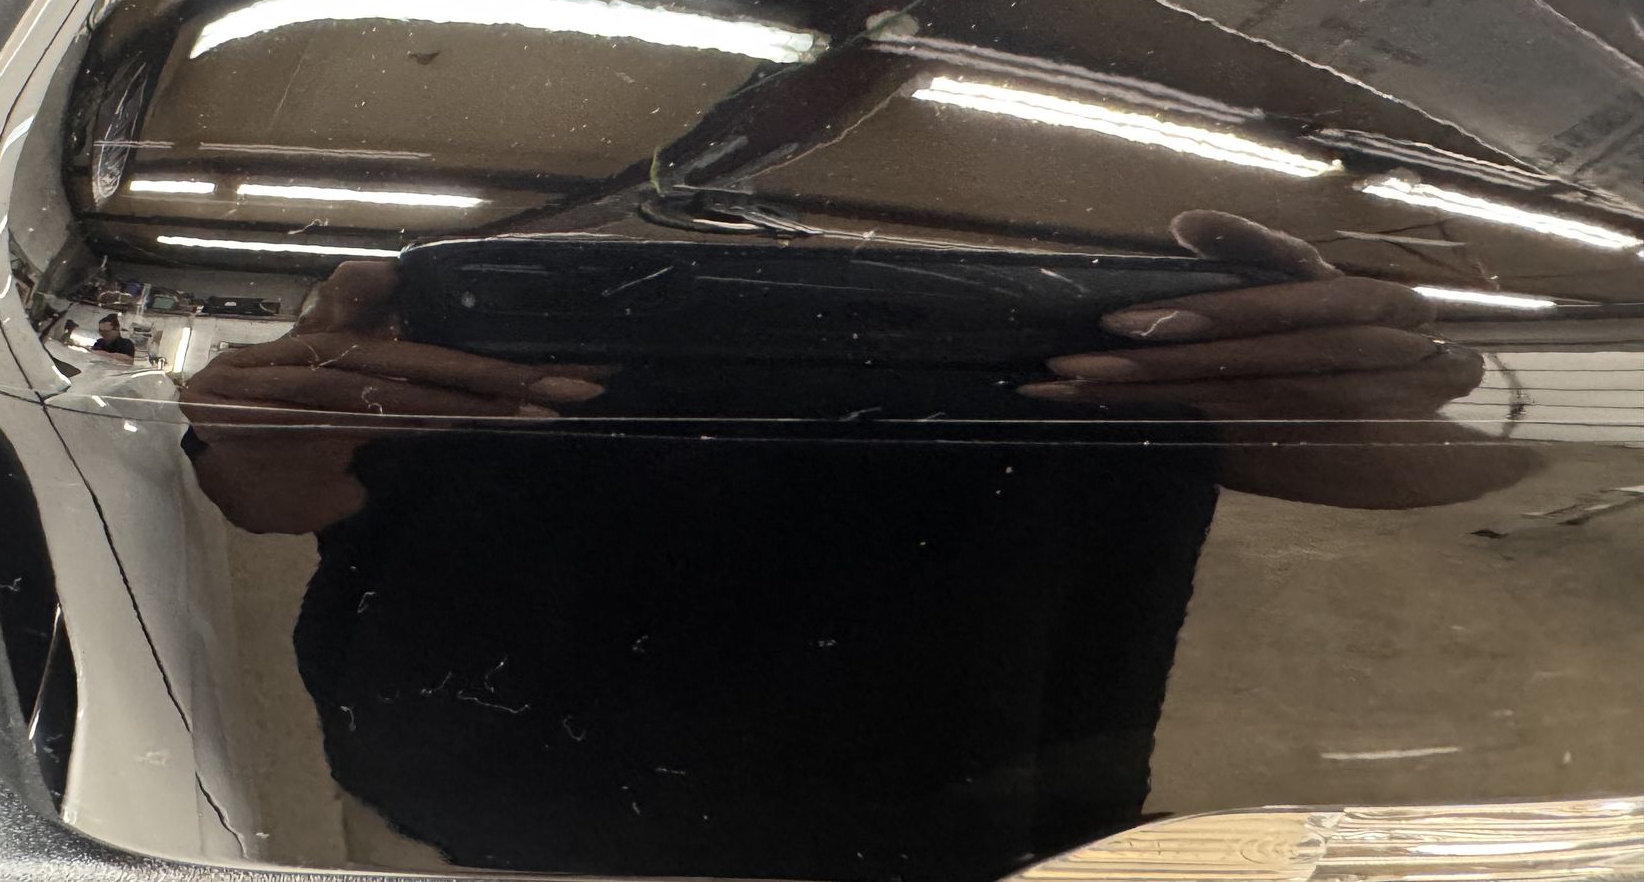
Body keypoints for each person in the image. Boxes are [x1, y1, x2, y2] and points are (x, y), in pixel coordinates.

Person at [179, 212, 1531, 882]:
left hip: (982, 779)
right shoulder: (380, 85)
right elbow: (272, 493)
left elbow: (1426, 476)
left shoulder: (1228, 138)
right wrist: (247, 444)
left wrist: (1422, 405)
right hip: (495, 789)